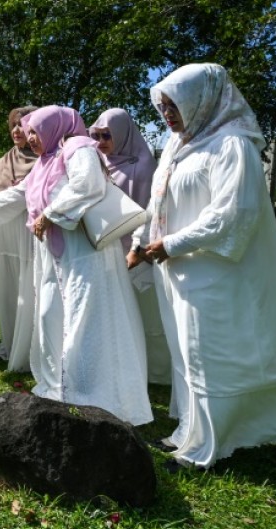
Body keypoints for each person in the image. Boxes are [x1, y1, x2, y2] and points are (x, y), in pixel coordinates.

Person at [129, 63, 276, 470]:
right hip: (177, 271)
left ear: (201, 99)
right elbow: (158, 200)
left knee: (208, 354)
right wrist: (139, 241)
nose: (167, 114)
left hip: (214, 273)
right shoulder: (177, 145)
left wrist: (171, 243)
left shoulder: (232, 145)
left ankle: (209, 448)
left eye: (175, 104)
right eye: (163, 105)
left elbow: (233, 215)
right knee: (185, 353)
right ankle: (189, 431)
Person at [0, 105, 152, 425]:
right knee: (48, 313)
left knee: (84, 317)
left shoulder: (78, 148)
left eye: (35, 132)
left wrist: (51, 213)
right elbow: (16, 195)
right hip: (54, 254)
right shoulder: (44, 163)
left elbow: (88, 185)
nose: (30, 139)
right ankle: (57, 384)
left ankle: (88, 393)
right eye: (28, 134)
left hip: (84, 252)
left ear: (53, 126)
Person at [90, 108, 171, 386]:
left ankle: (157, 375)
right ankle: (122, 366)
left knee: (146, 314)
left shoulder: (143, 165)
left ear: (123, 133)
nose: (100, 141)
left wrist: (138, 247)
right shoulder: (97, 163)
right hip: (104, 248)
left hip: (136, 251)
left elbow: (151, 212)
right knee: (114, 313)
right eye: (96, 135)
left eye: (107, 135)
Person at [0, 106, 39, 372]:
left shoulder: (45, 160)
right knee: (6, 289)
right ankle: (7, 346)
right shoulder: (3, 161)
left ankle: (30, 351)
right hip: (4, 236)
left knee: (30, 291)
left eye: (23, 125)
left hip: (29, 236)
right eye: (13, 125)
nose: (17, 130)